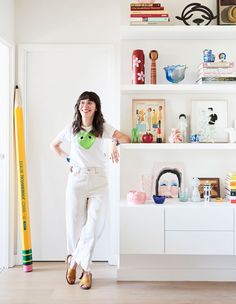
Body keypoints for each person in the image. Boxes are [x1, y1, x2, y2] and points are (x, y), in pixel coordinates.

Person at [50, 91, 130, 289]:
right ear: (78, 106)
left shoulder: (102, 128)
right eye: (82, 102)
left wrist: (114, 143)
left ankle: (75, 263)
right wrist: (67, 159)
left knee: (94, 227)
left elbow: (126, 138)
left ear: (96, 107)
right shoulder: (72, 129)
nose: (86, 106)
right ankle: (86, 271)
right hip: (76, 179)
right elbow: (54, 145)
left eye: (90, 103)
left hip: (98, 180)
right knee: (74, 225)